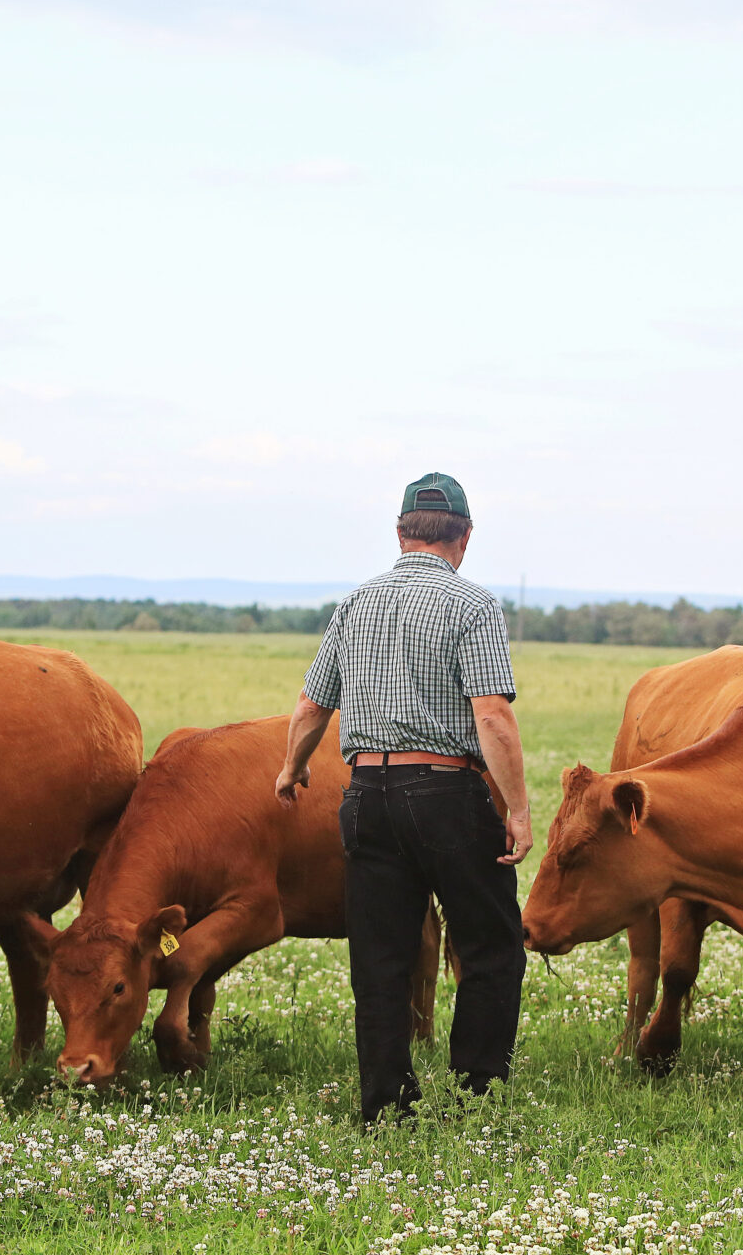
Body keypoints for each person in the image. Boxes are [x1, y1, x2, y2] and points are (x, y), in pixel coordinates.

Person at [275, 472, 532, 1126]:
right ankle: (477, 1099)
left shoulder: (354, 604)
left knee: (380, 958)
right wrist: (520, 810)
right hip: (447, 791)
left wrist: (291, 768)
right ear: (464, 537)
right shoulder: (473, 606)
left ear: (399, 533)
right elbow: (493, 715)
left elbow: (311, 704)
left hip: (366, 794)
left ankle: (386, 1106)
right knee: (491, 946)